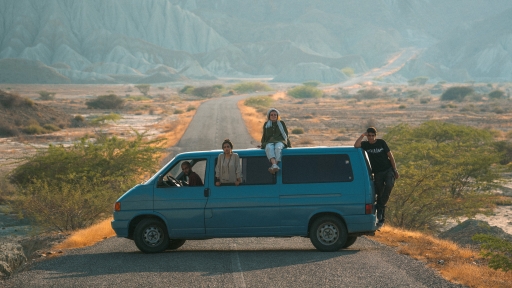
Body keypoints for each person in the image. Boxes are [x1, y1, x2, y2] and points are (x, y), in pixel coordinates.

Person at [354, 127, 399, 228]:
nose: (371, 137)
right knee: (380, 193)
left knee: (389, 185)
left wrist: (395, 170)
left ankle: (380, 208)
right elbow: (356, 145)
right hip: (377, 173)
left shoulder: (381, 142)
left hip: (388, 170)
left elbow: (390, 156)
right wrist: (362, 135)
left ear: (375, 136)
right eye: (369, 135)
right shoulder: (365, 145)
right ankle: (381, 217)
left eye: (372, 135)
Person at [259, 108, 291, 174]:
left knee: (278, 148)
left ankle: (274, 165)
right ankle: (275, 165)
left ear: (277, 116)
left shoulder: (281, 123)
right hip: (269, 142)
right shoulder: (266, 124)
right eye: (271, 115)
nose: (273, 116)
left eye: (275, 115)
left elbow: (286, 134)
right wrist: (262, 144)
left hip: (280, 141)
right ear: (269, 116)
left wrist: (288, 143)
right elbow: (264, 135)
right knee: (268, 148)